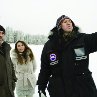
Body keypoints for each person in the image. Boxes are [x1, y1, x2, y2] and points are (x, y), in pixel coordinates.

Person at [37, 15, 97, 97]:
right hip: (59, 90)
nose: (69, 23)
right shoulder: (50, 45)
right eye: (65, 22)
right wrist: (41, 87)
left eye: (70, 21)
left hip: (82, 89)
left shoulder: (83, 39)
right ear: (59, 26)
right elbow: (45, 69)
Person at [0, 25, 17, 97]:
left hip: (9, 90)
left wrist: (13, 79)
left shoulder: (5, 49)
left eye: (2, 33)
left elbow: (10, 65)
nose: (0, 35)